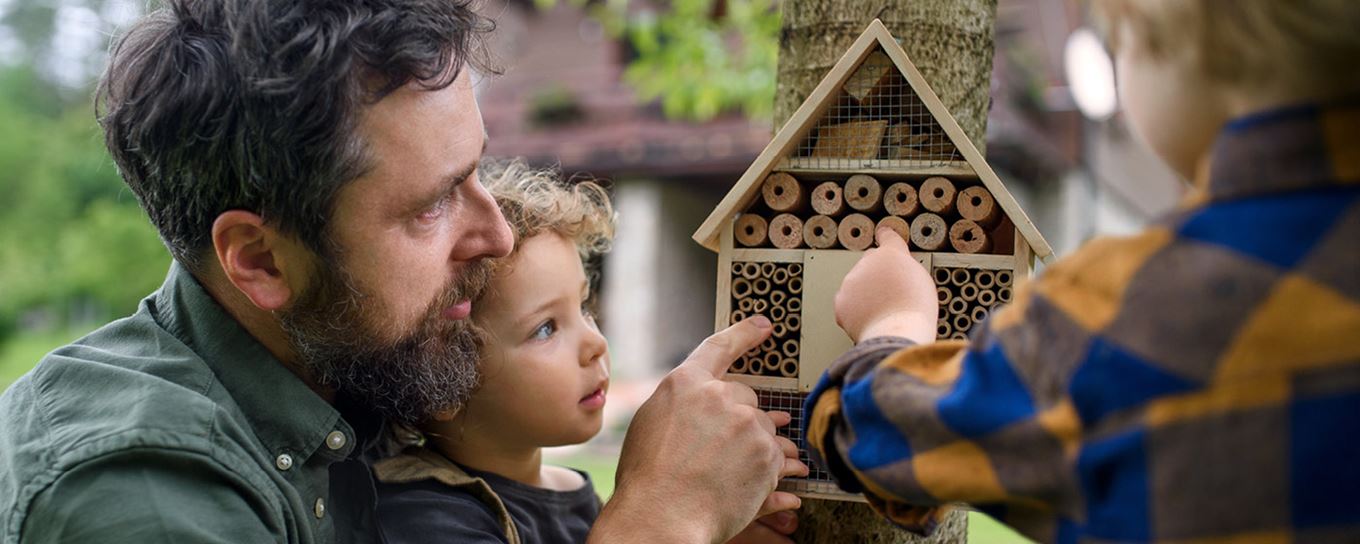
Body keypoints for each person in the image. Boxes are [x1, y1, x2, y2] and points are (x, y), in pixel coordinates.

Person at [0, 1, 803, 542]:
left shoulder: (358, 367)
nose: (494, 234)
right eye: (430, 206)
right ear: (260, 259)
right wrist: (664, 518)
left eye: (477, 173)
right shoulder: (136, 494)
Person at [806, 1, 1360, 542]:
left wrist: (892, 320)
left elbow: (887, 435)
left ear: (1184, 49)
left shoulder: (1130, 308)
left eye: (1120, 46)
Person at [373, 162, 802, 543]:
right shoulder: (424, 519)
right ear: (443, 385)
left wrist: (704, 523)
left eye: (583, 307)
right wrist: (663, 513)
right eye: (545, 329)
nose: (596, 343)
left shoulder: (573, 494)